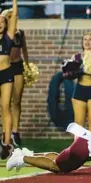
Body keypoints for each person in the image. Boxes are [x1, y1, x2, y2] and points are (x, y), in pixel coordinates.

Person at [1, 8, 30, 147]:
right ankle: (5, 132)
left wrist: (28, 65)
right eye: (9, 16)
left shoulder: (19, 34)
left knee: (16, 101)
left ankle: (15, 132)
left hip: (17, 67)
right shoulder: (5, 34)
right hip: (5, 67)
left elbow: (24, 49)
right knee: (4, 104)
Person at [0, 0, 18, 159]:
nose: (0, 24)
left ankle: (7, 142)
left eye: (2, 22)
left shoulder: (8, 37)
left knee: (6, 106)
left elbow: (15, 15)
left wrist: (14, 2)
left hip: (6, 74)